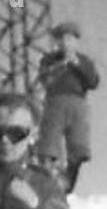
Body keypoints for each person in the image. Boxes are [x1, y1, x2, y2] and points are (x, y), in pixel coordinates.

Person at [35, 21, 100, 192]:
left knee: (79, 147)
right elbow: (45, 79)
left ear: (76, 42)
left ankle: (69, 180)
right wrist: (61, 65)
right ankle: (49, 178)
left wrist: (76, 64)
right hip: (55, 102)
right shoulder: (49, 60)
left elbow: (93, 82)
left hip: (78, 102)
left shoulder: (85, 61)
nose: (66, 43)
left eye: (70, 39)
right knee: (49, 145)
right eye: (62, 39)